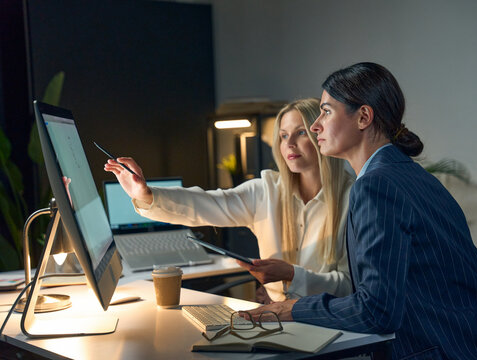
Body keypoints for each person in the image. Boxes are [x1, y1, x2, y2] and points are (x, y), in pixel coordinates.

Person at [244, 63, 477, 359]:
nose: (316, 126)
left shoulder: (375, 186)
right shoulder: (410, 175)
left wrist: (292, 309)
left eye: (326, 111)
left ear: (363, 117)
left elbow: (377, 311)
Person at [104, 98, 354, 303]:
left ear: (320, 134)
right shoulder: (265, 192)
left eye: (300, 133)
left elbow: (349, 287)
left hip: (328, 322)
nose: (289, 144)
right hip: (278, 319)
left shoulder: (353, 198)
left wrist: (291, 275)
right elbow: (205, 204)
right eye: (283, 135)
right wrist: (146, 195)